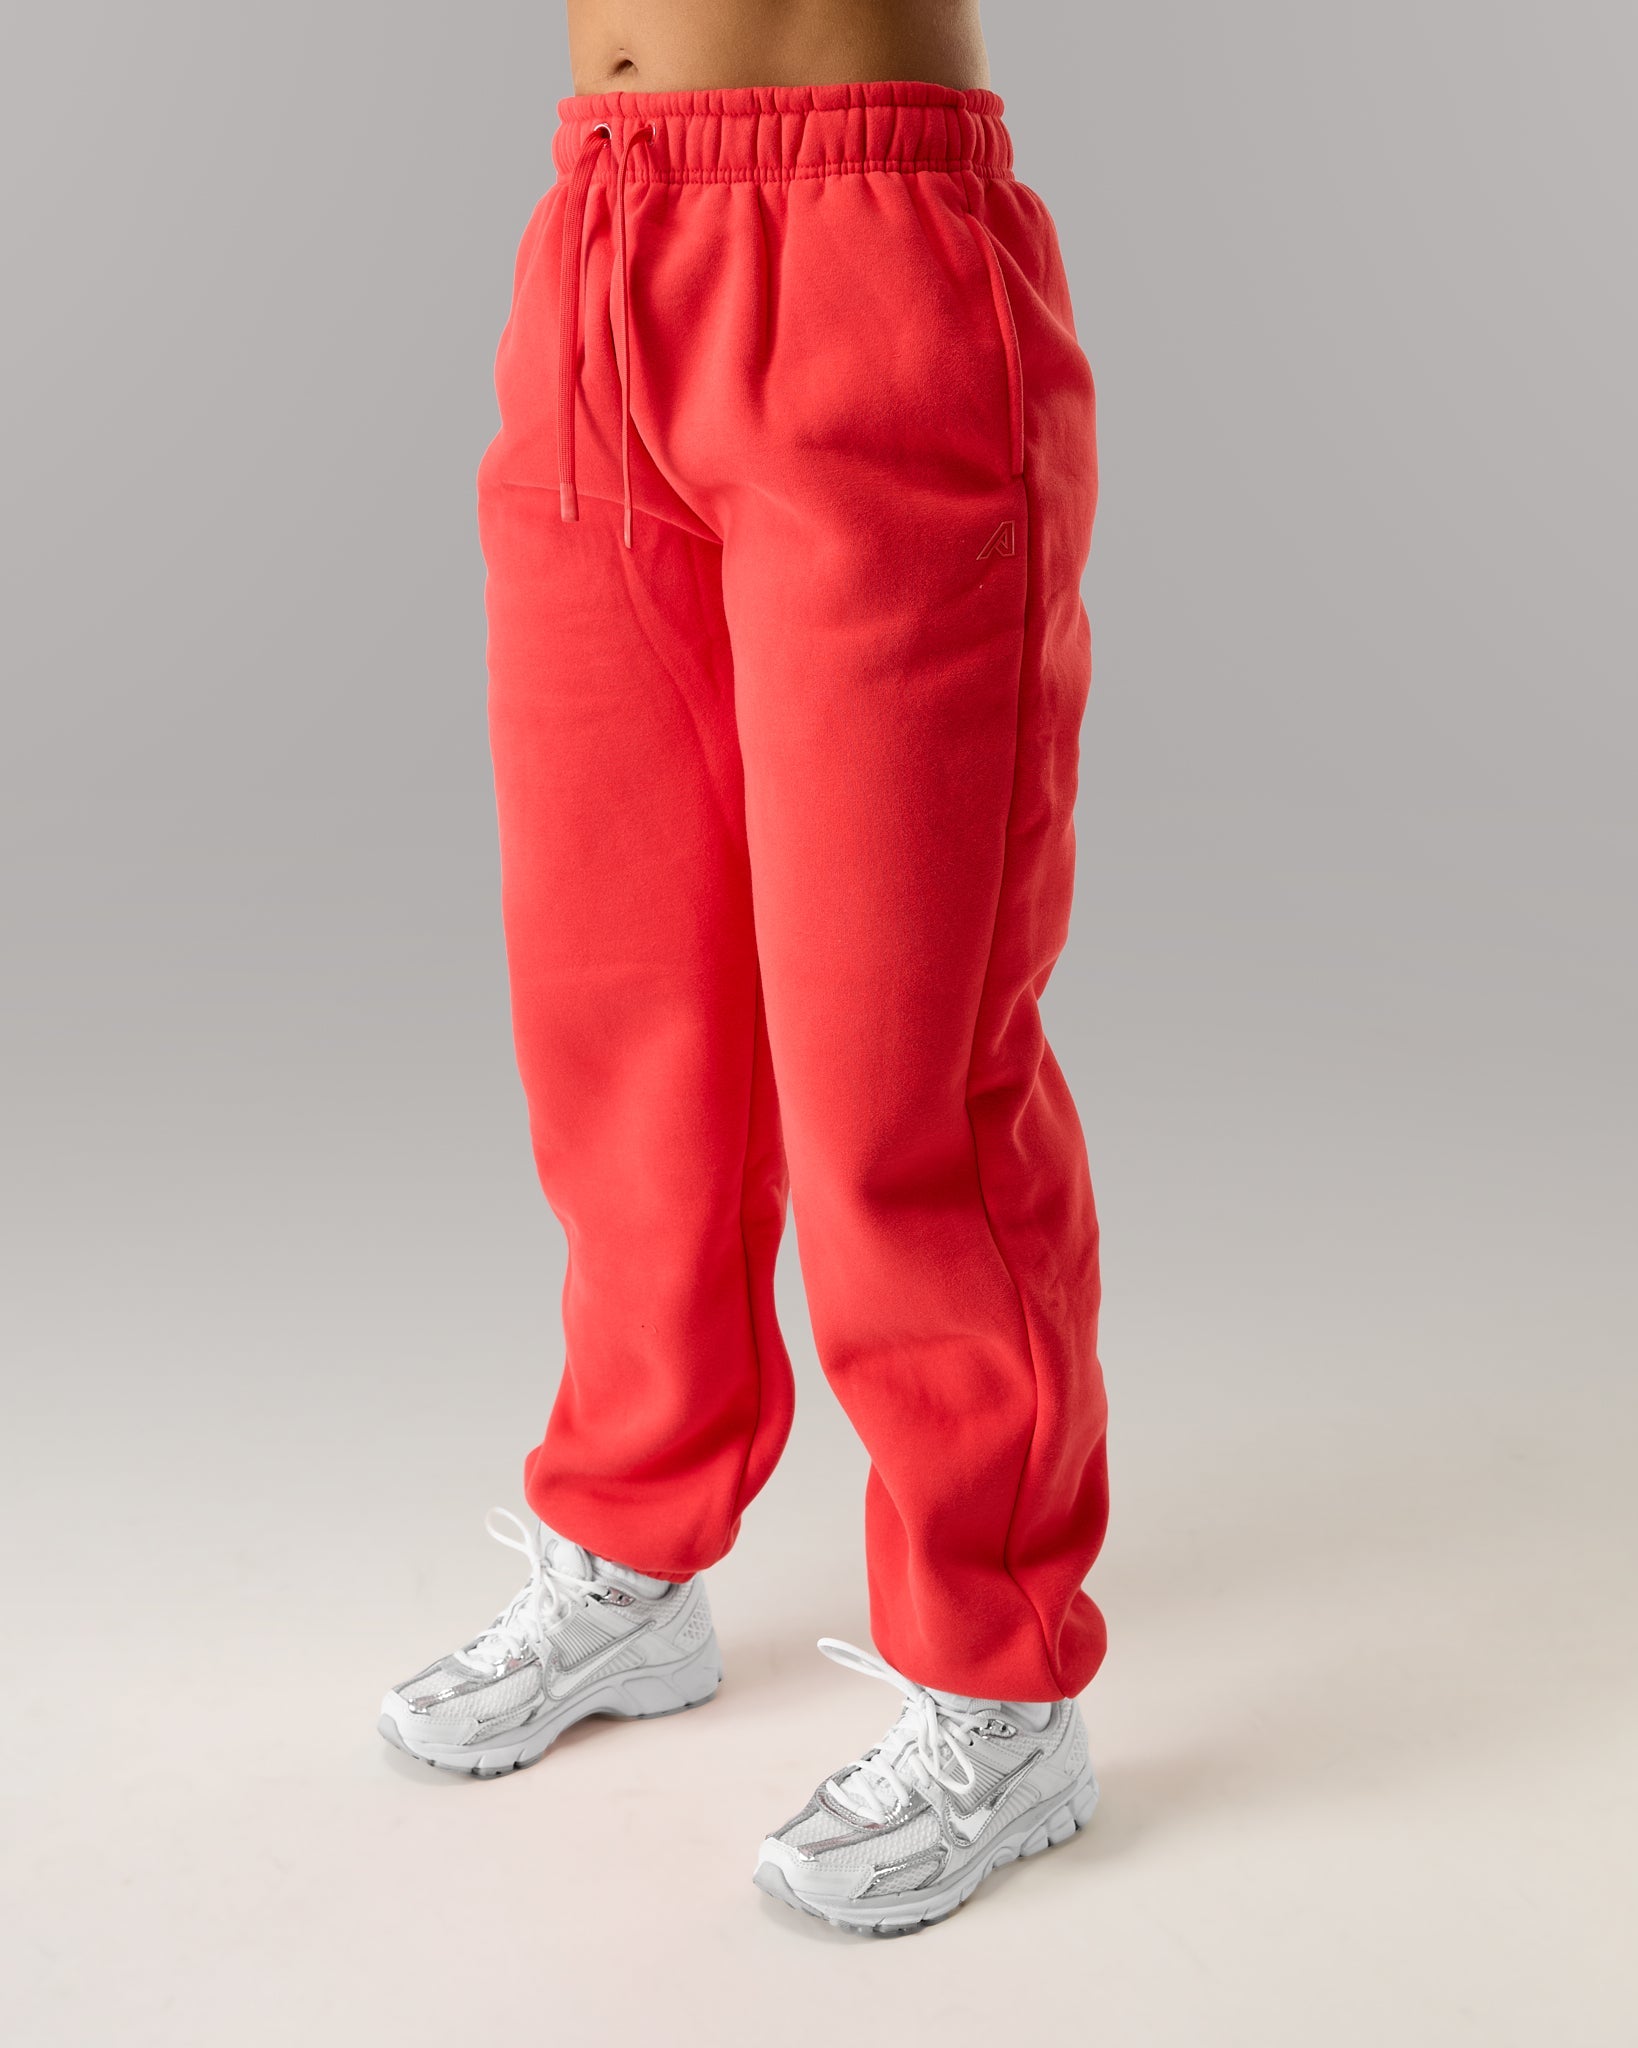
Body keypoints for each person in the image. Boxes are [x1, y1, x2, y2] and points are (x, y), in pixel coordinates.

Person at [379, 0, 1110, 1935]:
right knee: (627, 1019)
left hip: (871, 246)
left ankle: (1003, 1687)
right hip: (600, 246)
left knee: (901, 1056)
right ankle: (632, 1551)